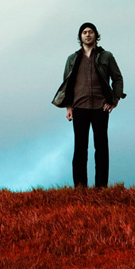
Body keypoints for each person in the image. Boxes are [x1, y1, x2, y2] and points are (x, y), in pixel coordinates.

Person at [52, 22, 126, 188]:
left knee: (101, 148)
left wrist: (115, 99)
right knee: (80, 148)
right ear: (80, 37)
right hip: (79, 107)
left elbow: (117, 78)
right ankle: (80, 187)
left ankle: (101, 187)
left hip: (101, 107)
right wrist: (68, 107)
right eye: (84, 32)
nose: (87, 34)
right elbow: (67, 85)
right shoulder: (72, 59)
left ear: (95, 35)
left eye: (90, 32)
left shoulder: (106, 56)